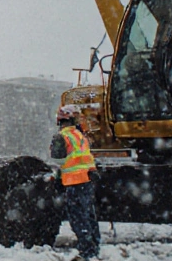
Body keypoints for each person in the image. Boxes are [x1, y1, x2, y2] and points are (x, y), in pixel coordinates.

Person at [50, 105, 100, 259]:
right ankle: (94, 245)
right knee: (88, 214)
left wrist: (58, 176)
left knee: (78, 218)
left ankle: (87, 251)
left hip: (73, 182)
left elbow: (59, 160)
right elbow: (84, 157)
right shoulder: (79, 135)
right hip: (86, 180)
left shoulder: (61, 137)